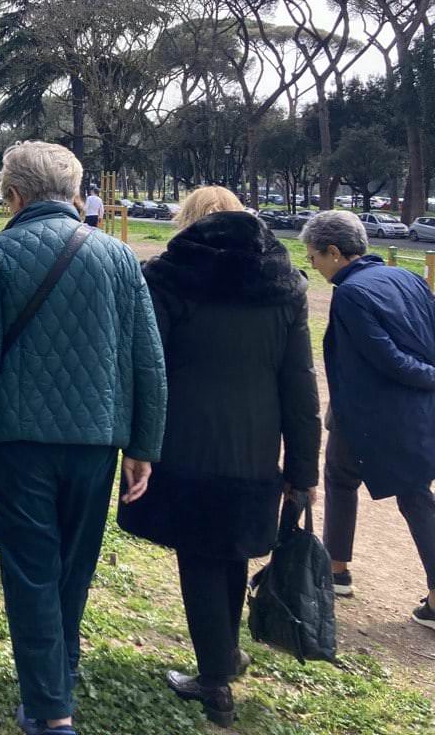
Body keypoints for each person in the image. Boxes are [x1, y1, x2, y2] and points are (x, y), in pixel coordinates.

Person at [0, 141, 166, 735]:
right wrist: (144, 446)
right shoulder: (118, 256)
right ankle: (57, 681)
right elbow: (148, 360)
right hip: (97, 440)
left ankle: (51, 708)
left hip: (19, 443)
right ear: (75, 194)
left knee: (30, 571)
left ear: (12, 196)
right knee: (74, 568)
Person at [118, 187, 320, 727]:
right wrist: (303, 468)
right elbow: (299, 383)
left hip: (184, 440)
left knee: (199, 557)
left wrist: (136, 441)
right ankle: (224, 656)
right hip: (256, 445)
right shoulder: (285, 284)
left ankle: (215, 682)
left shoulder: (168, 277)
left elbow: (147, 366)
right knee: (230, 551)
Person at [300, 210, 435, 629]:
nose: (313, 265)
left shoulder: (351, 294)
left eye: (313, 257)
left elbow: (387, 358)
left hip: (377, 414)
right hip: (404, 411)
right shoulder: (407, 278)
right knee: (344, 476)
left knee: (411, 495)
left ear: (334, 252)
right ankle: (335, 569)